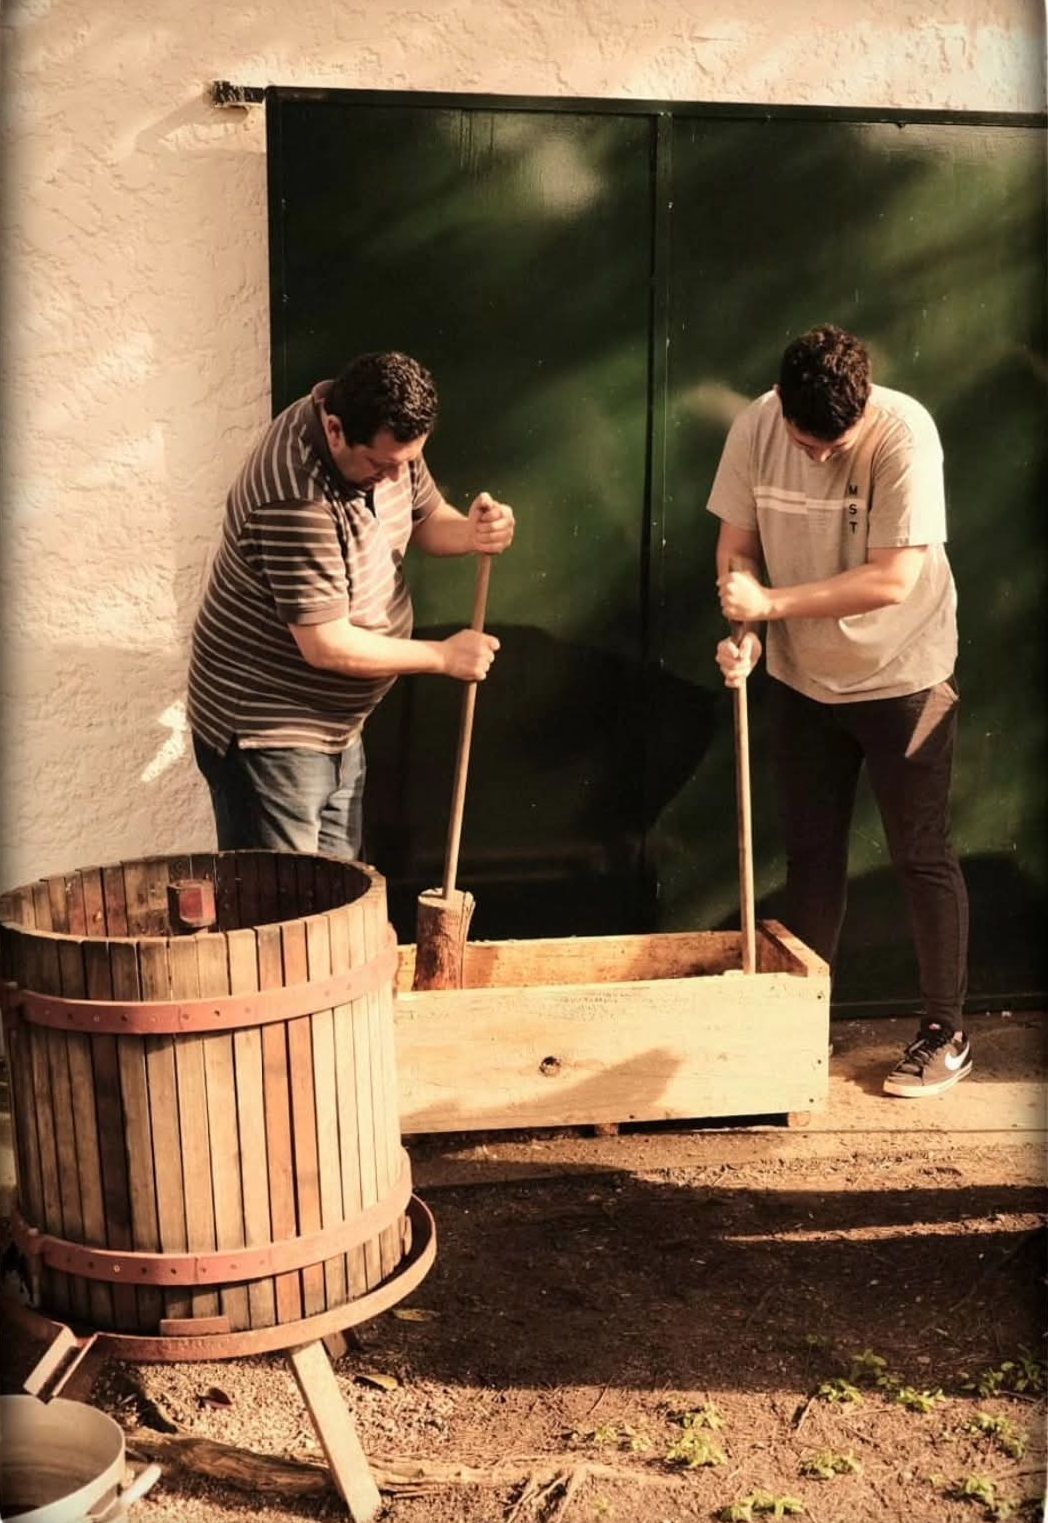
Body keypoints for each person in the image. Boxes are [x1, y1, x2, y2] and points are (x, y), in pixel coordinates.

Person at [706, 325, 970, 1099]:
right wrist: (746, 636)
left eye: (836, 442)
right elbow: (737, 549)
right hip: (802, 680)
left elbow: (892, 580)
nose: (819, 453)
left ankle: (945, 1030)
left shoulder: (905, 435)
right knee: (811, 857)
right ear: (782, 405)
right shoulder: (756, 425)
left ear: (865, 407)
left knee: (919, 851)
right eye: (805, 438)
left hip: (908, 676)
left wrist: (771, 604)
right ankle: (798, 1028)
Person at [188, 350, 514, 861]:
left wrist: (473, 533)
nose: (392, 478)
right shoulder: (295, 497)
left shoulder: (387, 440)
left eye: (404, 464)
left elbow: (426, 520)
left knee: (337, 900)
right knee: (286, 916)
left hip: (337, 726)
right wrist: (444, 658)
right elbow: (325, 644)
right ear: (335, 430)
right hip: (269, 730)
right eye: (381, 465)